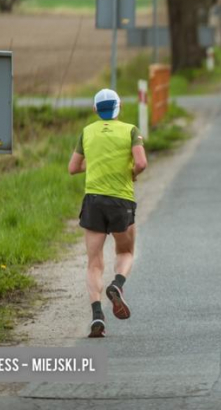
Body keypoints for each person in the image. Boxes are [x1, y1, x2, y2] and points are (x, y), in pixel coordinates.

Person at [68, 89, 147, 338]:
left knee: (93, 263)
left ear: (95, 110)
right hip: (120, 201)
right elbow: (141, 162)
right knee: (125, 251)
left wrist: (97, 164)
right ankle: (117, 284)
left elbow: (73, 168)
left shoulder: (87, 132)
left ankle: (97, 317)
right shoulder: (130, 130)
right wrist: (132, 173)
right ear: (119, 107)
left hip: (93, 200)